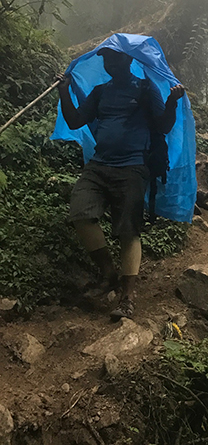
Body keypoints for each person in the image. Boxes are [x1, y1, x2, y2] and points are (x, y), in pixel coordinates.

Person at [58, 47, 185, 320]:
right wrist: (64, 91)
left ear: (127, 59)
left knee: (129, 230)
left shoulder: (144, 88)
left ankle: (127, 297)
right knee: (81, 213)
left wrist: (172, 102)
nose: (109, 63)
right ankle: (109, 274)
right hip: (99, 165)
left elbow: (163, 125)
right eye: (105, 58)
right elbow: (75, 119)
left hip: (132, 167)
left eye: (114, 58)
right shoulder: (101, 92)